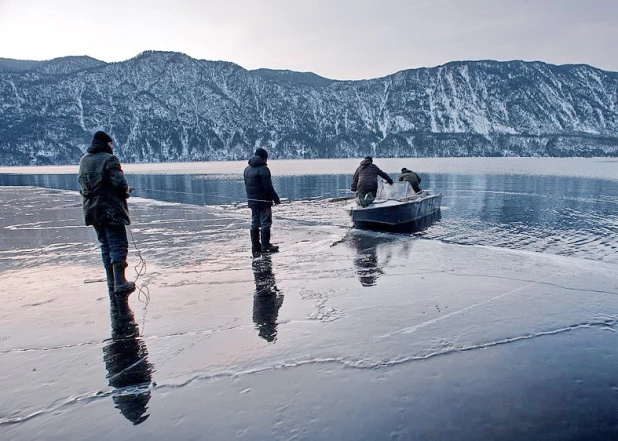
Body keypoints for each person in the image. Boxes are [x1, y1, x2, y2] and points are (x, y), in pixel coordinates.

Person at [78, 131, 135, 296]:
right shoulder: (110, 159)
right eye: (111, 144)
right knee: (118, 244)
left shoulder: (84, 160)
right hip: (110, 210)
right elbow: (118, 183)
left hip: (92, 210)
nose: (113, 147)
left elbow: (85, 185)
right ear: (106, 144)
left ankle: (111, 280)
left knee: (105, 245)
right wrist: (125, 191)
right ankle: (120, 282)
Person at [243, 147, 281, 256]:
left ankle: (255, 246)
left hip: (252, 201)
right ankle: (265, 245)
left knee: (255, 222)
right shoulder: (264, 169)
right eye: (266, 158)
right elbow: (268, 187)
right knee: (265, 222)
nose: (267, 161)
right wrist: (276, 199)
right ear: (264, 158)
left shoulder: (247, 169)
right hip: (264, 201)